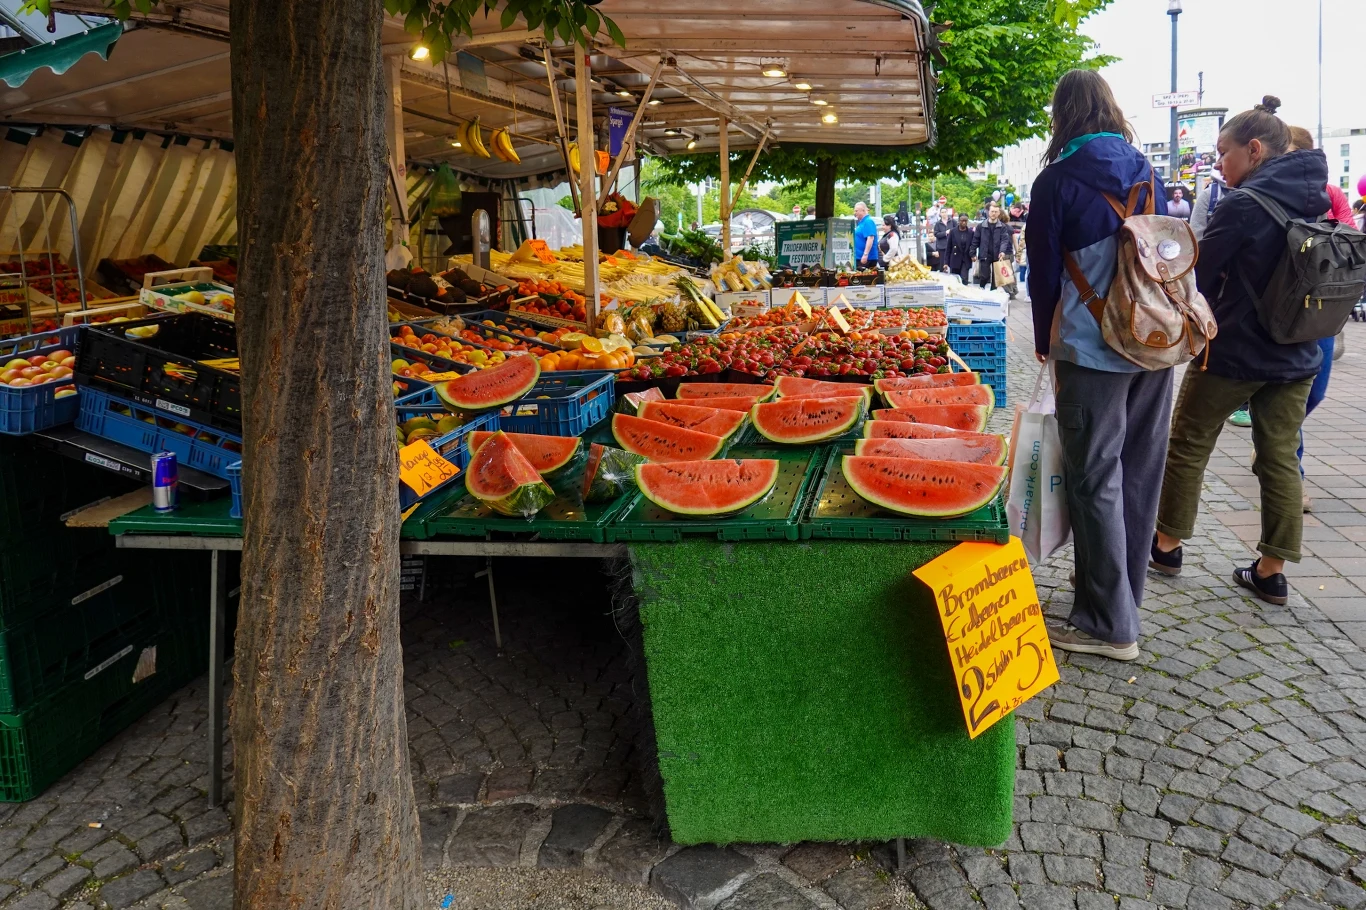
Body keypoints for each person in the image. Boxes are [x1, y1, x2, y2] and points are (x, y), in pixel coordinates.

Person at [1151, 96, 1326, 607]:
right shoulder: (1316, 196)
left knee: (1188, 445)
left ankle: (1167, 547)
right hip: (1298, 352)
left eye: (1223, 153)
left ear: (1253, 150)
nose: (1218, 163)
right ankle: (1271, 572)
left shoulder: (1245, 205)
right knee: (1279, 458)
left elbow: (1198, 276)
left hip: (1235, 353)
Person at [1025, 69, 1171, 662]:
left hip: (1092, 351)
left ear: (1063, 115)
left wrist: (1043, 340)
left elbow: (1042, 275)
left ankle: (1110, 626)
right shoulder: (1146, 171)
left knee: (1094, 478)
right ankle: (1119, 601)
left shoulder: (1056, 181)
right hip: (1155, 342)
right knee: (1137, 474)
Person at [975, 203, 1013, 288]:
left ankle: (994, 294)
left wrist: (1002, 251)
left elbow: (1004, 240)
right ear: (989, 212)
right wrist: (972, 252)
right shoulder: (981, 226)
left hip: (997, 254)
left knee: (996, 279)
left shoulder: (1002, 227)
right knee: (984, 276)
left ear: (999, 213)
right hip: (985, 254)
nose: (994, 213)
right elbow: (976, 240)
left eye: (996, 212)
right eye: (992, 211)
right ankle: (982, 289)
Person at [944, 213, 975, 284]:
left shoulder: (971, 233)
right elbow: (948, 247)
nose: (964, 222)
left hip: (965, 259)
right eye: (962, 221)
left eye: (965, 221)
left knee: (964, 280)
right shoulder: (953, 232)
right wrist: (946, 262)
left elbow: (973, 245)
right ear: (958, 221)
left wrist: (973, 255)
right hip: (955, 259)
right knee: (955, 281)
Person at [853, 201, 879, 270]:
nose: (854, 213)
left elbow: (870, 238)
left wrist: (865, 254)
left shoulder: (868, 222)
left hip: (867, 258)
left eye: (856, 211)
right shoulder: (861, 223)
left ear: (863, 210)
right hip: (860, 256)